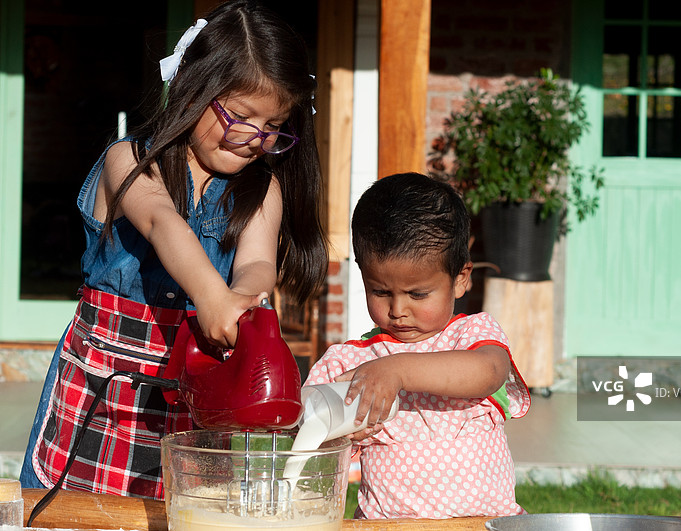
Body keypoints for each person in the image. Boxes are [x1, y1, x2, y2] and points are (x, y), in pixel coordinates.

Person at [19, 0, 327, 500]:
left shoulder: (261, 191)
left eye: (273, 127)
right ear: (191, 87)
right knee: (70, 511)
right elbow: (163, 225)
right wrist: (213, 297)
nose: (254, 138)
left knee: (182, 510)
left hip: (192, 395)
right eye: (241, 115)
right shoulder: (131, 160)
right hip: (101, 387)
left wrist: (242, 300)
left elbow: (255, 265)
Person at [305, 172, 531, 519]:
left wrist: (398, 371)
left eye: (418, 294)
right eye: (380, 292)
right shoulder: (354, 360)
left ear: (460, 279)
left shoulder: (471, 334)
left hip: (484, 526)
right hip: (390, 527)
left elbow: (487, 373)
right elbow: (305, 428)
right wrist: (343, 432)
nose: (398, 310)